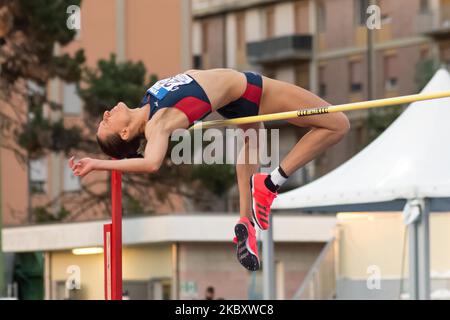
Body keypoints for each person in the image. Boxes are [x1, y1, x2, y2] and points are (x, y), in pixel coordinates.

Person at [69, 68, 350, 271]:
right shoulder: (159, 124)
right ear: (127, 132)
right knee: (337, 123)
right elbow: (152, 162)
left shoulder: (148, 103)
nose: (106, 115)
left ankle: (245, 222)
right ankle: (271, 183)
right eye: (106, 124)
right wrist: (98, 164)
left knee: (255, 137)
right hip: (249, 89)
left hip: (233, 101)